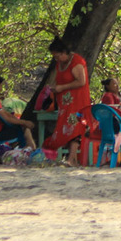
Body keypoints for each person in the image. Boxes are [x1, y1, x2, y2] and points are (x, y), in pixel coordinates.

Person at [42, 37, 96, 166]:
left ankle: (72, 158)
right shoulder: (59, 63)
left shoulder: (77, 61)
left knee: (76, 127)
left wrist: (62, 87)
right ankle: (70, 158)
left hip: (77, 101)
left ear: (64, 52)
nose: (57, 59)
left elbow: (81, 81)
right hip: (64, 104)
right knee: (63, 129)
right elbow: (57, 79)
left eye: (58, 56)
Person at [0, 73, 36, 150]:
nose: (1, 89)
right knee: (24, 128)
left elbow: (4, 112)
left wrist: (16, 119)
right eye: (0, 86)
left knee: (19, 125)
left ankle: (22, 149)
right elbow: (6, 118)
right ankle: (29, 150)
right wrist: (24, 122)